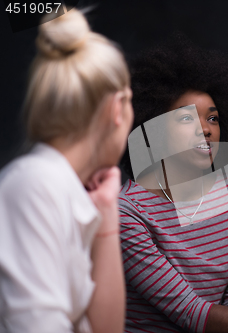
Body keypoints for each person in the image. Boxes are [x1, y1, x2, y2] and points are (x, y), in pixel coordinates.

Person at [119, 35, 228, 333]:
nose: (205, 129)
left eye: (213, 118)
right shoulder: (127, 213)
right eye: (186, 119)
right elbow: (191, 314)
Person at [0, 10, 133, 333]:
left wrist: (107, 215)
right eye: (131, 101)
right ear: (117, 109)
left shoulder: (66, 189)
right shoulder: (35, 184)